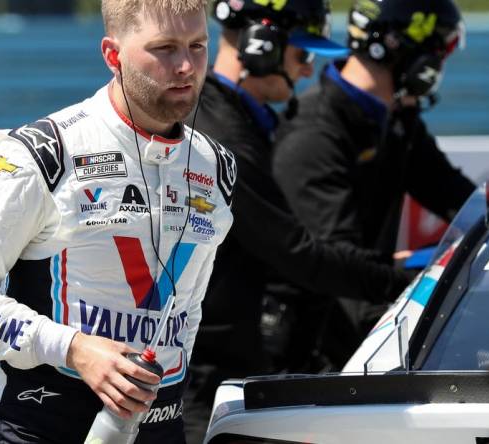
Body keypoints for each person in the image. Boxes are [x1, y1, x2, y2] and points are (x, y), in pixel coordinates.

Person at [0, 1, 236, 442]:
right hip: (40, 425)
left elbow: (187, 312)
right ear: (113, 55)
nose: (185, 66)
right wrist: (73, 347)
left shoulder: (216, 166)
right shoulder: (44, 151)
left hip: (159, 429)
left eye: (197, 46)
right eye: (164, 48)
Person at [184, 1, 414, 441]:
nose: (308, 71)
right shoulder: (226, 139)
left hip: (214, 368)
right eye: (302, 55)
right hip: (203, 380)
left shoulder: (231, 120)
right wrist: (400, 283)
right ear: (262, 45)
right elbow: (298, 253)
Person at [270, 0, 476, 369]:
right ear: (409, 52)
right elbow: (341, 272)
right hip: (311, 356)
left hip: (358, 334)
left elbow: (459, 199)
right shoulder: (313, 136)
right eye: (439, 53)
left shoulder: (394, 119)